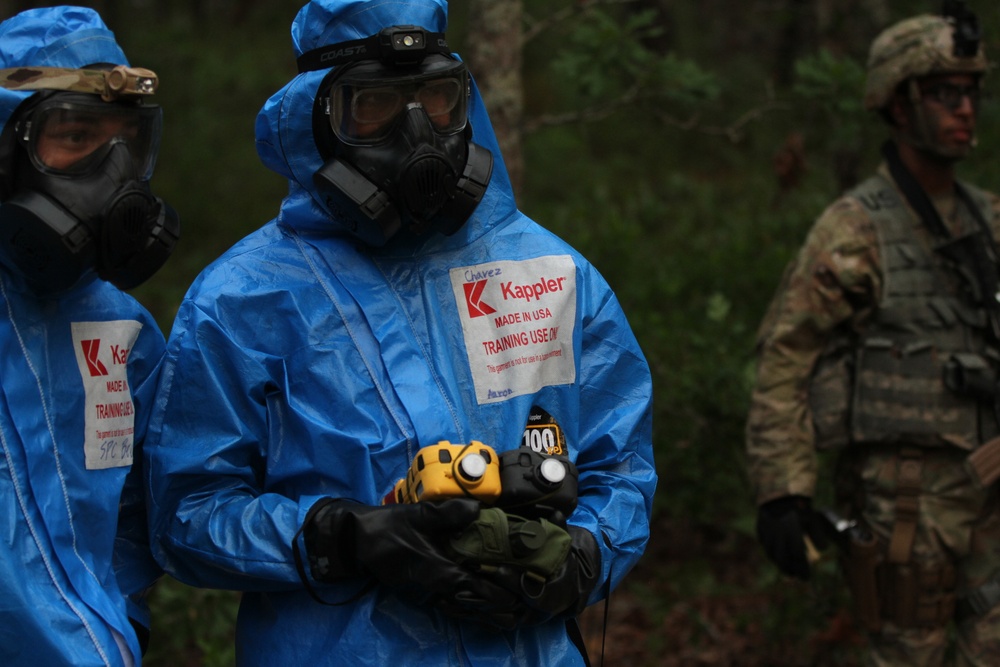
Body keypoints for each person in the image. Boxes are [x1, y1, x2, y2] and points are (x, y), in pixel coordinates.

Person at [143, 0, 656, 665]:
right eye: (376, 104)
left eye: (437, 99)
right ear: (318, 119)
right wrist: (340, 537)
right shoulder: (242, 299)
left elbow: (621, 465)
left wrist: (586, 554)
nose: (418, 131)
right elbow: (187, 513)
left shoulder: (549, 272)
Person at [746, 2, 1000, 664]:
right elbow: (785, 356)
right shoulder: (855, 227)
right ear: (897, 103)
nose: (965, 109)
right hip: (904, 506)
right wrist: (783, 489)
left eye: (971, 93)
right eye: (945, 94)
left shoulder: (991, 220)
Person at [0, 6, 179, 667]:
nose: (112, 170)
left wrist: (117, 625)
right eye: (75, 137)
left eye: (125, 141)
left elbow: (136, 522)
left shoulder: (122, 332)